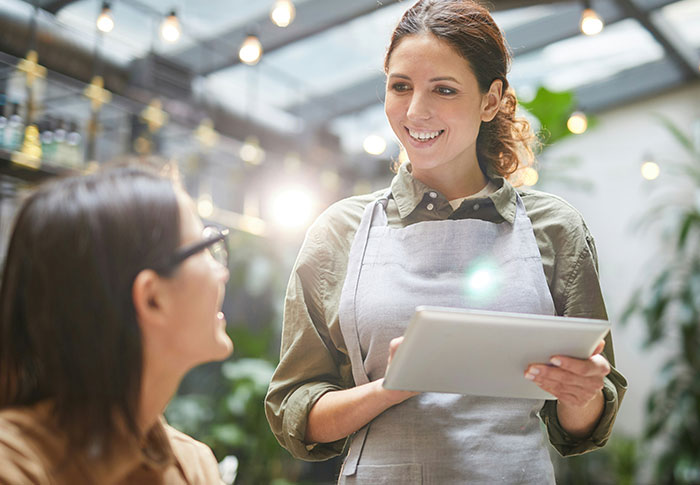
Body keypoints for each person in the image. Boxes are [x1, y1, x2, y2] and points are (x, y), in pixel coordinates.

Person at [265, 0, 628, 483]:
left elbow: (577, 428)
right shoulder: (339, 232)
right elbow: (295, 412)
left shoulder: (556, 229)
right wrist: (392, 387)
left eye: (444, 89)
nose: (416, 111)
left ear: (491, 99)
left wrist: (579, 395)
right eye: (400, 86)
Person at [0, 164, 232, 484]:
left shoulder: (193, 465)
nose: (222, 273)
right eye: (205, 250)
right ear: (152, 298)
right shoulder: (13, 467)